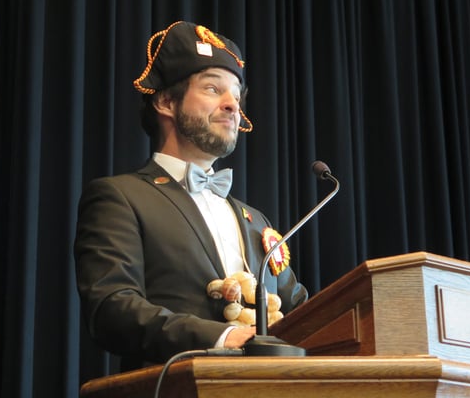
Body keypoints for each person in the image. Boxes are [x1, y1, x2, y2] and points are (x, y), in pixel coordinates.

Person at [74, 20, 308, 371]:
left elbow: (308, 313)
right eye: (214, 89)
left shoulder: (257, 220)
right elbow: (112, 309)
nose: (233, 105)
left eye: (236, 95)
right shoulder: (119, 198)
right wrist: (222, 337)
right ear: (166, 101)